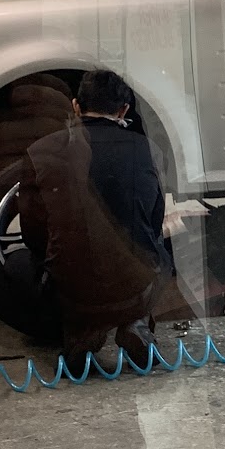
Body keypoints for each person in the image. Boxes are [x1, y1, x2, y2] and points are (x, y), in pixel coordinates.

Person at [17, 67, 171, 364]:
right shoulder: (148, 149)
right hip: (134, 286)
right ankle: (136, 322)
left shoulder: (40, 151)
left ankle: (82, 330)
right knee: (160, 254)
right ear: (123, 110)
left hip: (71, 289)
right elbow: (154, 222)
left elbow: (32, 233)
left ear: (76, 106)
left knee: (20, 263)